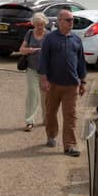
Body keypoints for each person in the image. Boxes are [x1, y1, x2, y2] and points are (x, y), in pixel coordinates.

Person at [37, 9, 87, 156]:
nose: (71, 23)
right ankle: (51, 135)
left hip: (71, 85)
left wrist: (83, 82)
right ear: (59, 22)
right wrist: (44, 79)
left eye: (73, 20)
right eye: (68, 20)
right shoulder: (50, 39)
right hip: (53, 84)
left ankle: (69, 145)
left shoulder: (76, 40)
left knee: (70, 115)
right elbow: (43, 60)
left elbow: (81, 63)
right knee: (51, 112)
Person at [18, 12, 47, 131]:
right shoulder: (29, 33)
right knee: (32, 94)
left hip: (45, 71)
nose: (39, 27)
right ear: (34, 24)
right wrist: (30, 50)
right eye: (37, 25)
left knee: (46, 96)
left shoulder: (49, 35)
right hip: (31, 68)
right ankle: (29, 121)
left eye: (41, 25)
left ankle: (47, 119)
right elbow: (21, 50)